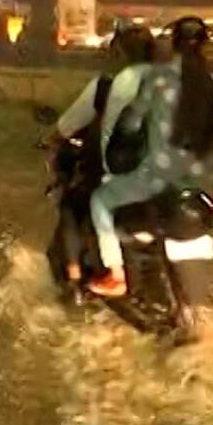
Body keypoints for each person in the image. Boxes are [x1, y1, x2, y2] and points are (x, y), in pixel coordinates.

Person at [87, 17, 213, 298]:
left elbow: (131, 124)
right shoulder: (212, 81)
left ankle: (116, 274)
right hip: (202, 185)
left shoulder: (159, 79)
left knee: (100, 200)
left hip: (159, 179)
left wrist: (122, 139)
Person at [45, 25, 155, 289]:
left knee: (72, 206)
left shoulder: (105, 88)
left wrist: (51, 140)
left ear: (118, 53)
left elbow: (67, 126)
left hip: (115, 174)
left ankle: (74, 282)